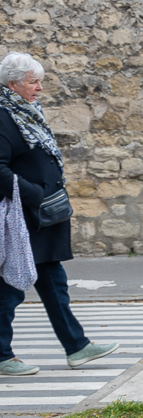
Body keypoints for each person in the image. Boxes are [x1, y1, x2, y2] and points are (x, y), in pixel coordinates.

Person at [0, 53, 118, 377]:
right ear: (13, 84)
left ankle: (77, 346)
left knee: (54, 284)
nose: (39, 87)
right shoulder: (3, 117)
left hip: (40, 220)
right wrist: (36, 194)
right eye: (33, 81)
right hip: (21, 219)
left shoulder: (25, 112)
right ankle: (1, 355)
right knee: (9, 287)